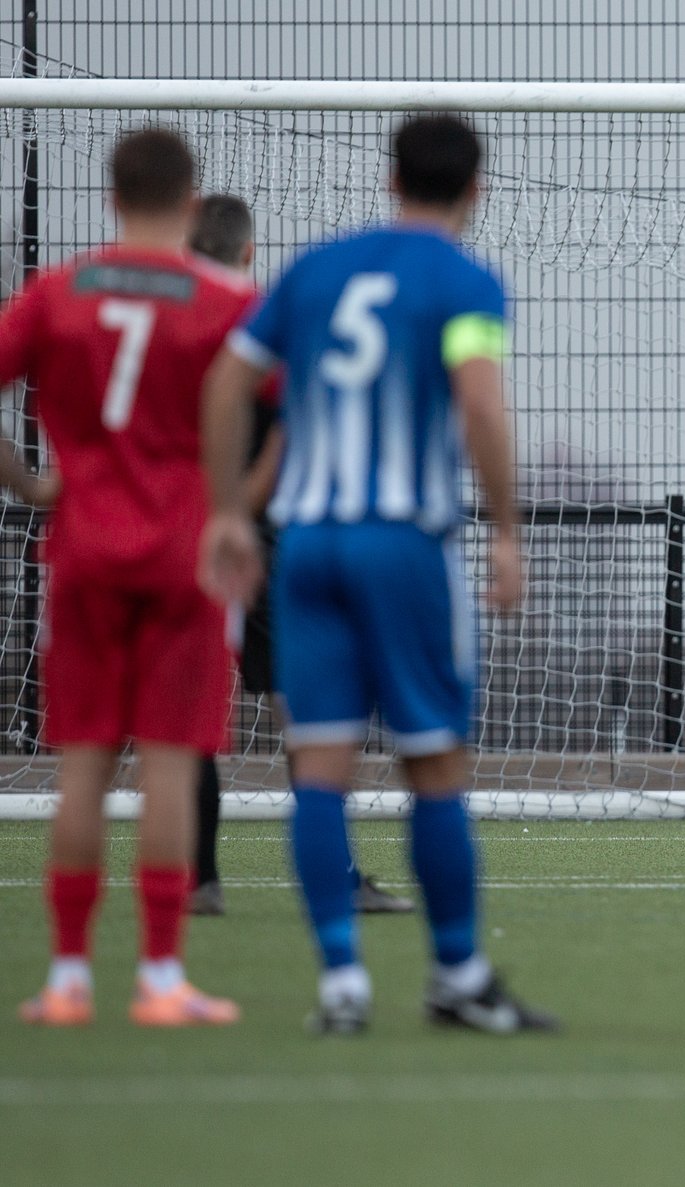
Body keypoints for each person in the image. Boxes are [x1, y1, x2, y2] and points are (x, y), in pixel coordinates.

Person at [199, 112, 553, 1035]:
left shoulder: (311, 272)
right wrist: (507, 530)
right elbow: (480, 401)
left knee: (319, 769)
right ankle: (457, 976)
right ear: (476, 188)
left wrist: (232, 510)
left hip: (306, 548)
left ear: (390, 178)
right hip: (404, 543)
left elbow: (229, 383)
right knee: (434, 762)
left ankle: (343, 986)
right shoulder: (466, 282)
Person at [6, 127, 249, 1027]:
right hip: (187, 557)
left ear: (111, 198)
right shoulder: (223, 301)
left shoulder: (57, 293)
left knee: (80, 771)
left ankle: (68, 979)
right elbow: (286, 406)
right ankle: (159, 978)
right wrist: (235, 506)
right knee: (171, 770)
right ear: (190, 204)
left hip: (83, 552)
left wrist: (26, 480)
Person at [182, 192, 414, 919]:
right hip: (270, 535)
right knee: (304, 710)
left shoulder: (171, 321)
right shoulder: (262, 320)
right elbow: (298, 425)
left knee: (191, 711)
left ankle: (201, 879)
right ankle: (339, 877)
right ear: (248, 252)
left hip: (188, 534)